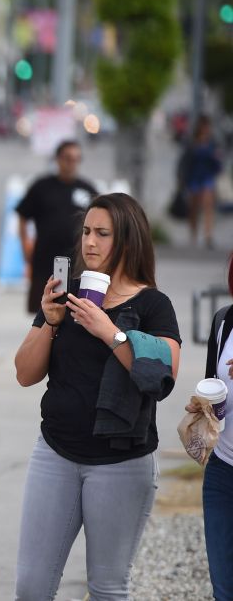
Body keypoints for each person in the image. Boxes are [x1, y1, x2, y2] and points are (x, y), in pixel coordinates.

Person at [13, 193, 180, 600]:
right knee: (31, 587)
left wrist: (109, 331)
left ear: (128, 240)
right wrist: (50, 322)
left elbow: (162, 375)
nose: (90, 242)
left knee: (107, 587)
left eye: (102, 233)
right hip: (56, 451)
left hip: (121, 461)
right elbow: (24, 373)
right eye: (87, 231)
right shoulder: (65, 295)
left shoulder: (154, 305)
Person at [16, 139, 98, 314]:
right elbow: (23, 216)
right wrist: (25, 246)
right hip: (45, 259)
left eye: (76, 159)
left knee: (74, 309)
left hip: (77, 262)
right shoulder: (41, 187)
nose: (71, 163)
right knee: (42, 311)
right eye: (68, 158)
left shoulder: (87, 189)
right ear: (58, 159)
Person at [199, 257, 233, 599]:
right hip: (222, 470)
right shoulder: (225, 321)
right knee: (223, 589)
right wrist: (203, 405)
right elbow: (214, 386)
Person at [181, 116, 222, 249]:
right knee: (194, 209)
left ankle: (208, 235)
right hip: (194, 178)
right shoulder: (192, 143)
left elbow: (217, 163)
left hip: (207, 179)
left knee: (208, 207)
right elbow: (186, 161)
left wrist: (214, 156)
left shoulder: (212, 143)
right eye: (204, 126)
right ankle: (193, 234)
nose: (206, 129)